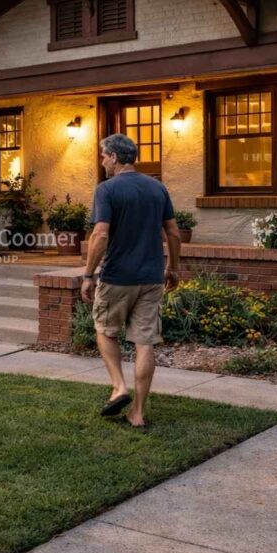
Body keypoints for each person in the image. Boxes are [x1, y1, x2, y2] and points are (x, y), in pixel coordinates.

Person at [81, 134, 181, 429]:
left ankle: (119, 387)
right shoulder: (157, 187)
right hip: (151, 277)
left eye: (103, 156)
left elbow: (100, 235)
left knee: (104, 331)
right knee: (144, 343)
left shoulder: (107, 189)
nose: (102, 161)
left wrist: (88, 274)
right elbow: (173, 233)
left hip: (117, 277)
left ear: (114, 157)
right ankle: (137, 413)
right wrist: (173, 268)